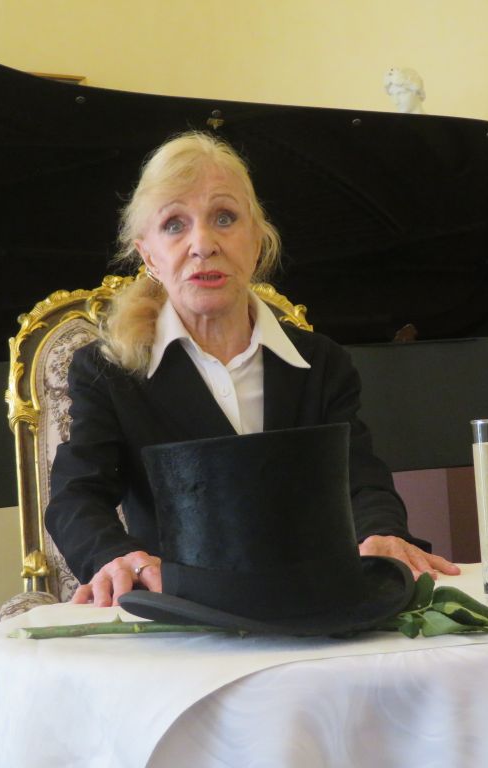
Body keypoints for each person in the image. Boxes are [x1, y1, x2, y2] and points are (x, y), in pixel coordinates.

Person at [45, 131, 459, 607]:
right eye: (175, 225)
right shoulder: (108, 371)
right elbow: (77, 496)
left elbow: (361, 479)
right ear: (149, 256)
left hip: (313, 607)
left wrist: (381, 531)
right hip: (186, 612)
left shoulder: (322, 363)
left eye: (225, 218)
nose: (203, 244)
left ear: (257, 241)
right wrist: (119, 557)